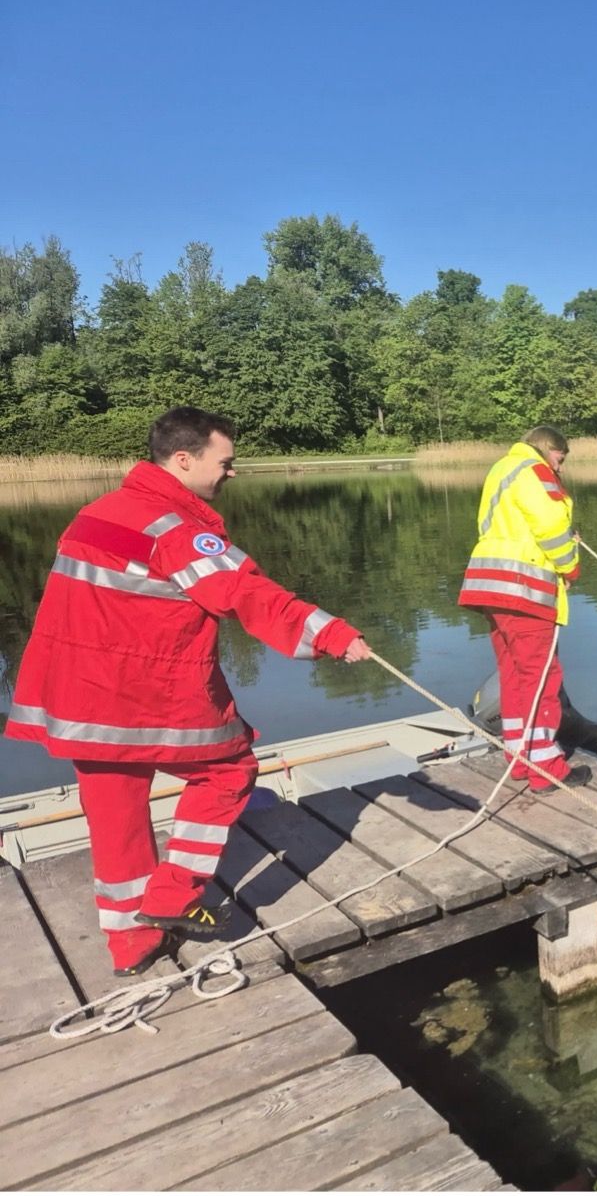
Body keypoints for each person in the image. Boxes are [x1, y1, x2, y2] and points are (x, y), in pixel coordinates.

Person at [3, 406, 371, 976]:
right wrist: (331, 634)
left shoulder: (94, 513)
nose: (231, 473)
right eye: (224, 463)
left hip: (77, 700)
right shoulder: (174, 529)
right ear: (184, 459)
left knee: (114, 817)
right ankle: (174, 896)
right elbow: (246, 594)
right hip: (139, 693)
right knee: (228, 772)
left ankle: (131, 945)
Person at [458, 425, 591, 794]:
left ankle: (519, 758)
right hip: (524, 590)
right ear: (548, 450)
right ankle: (547, 768)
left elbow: (500, 526)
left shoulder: (501, 468)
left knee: (513, 675)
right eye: (559, 460)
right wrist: (570, 565)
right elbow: (549, 526)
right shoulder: (535, 471)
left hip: (490, 587)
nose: (559, 469)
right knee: (540, 677)